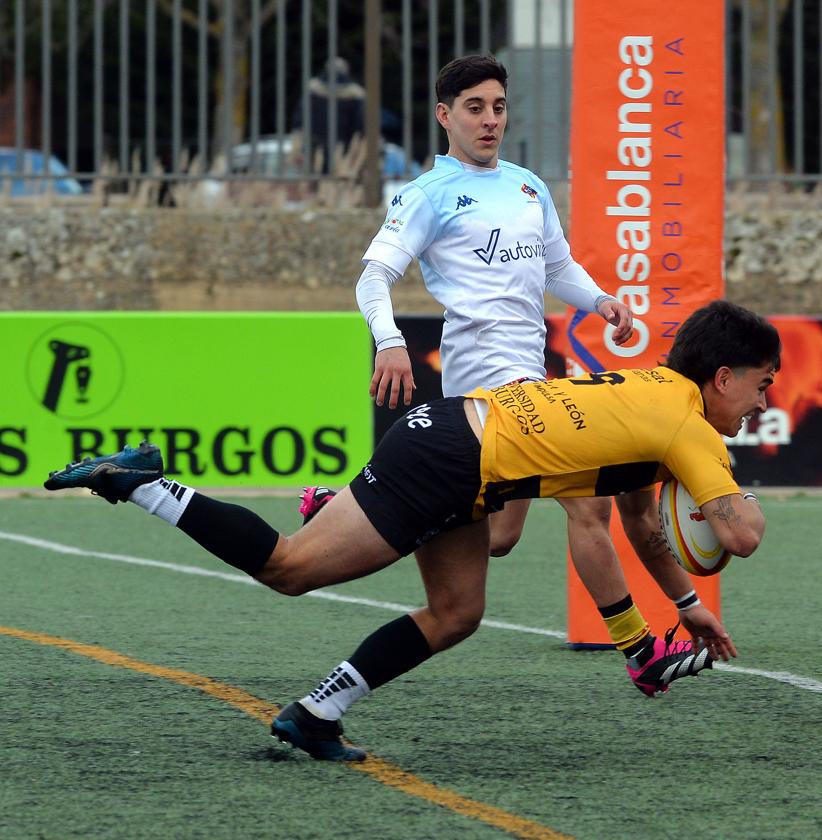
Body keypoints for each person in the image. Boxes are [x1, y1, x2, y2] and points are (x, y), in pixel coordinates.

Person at [44, 301, 781, 761]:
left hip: (462, 451)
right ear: (722, 376)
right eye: (761, 384)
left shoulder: (653, 391)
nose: (761, 401)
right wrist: (727, 496)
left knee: (458, 613)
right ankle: (143, 483)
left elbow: (643, 529)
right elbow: (742, 538)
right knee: (290, 569)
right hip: (449, 461)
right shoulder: (690, 430)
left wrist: (683, 612)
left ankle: (315, 714)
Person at [324, 53, 732, 696]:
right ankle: (640, 652)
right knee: (589, 503)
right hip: (488, 371)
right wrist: (389, 341)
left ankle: (367, 508)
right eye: (474, 108)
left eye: (499, 106)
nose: (490, 120)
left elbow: (556, 267)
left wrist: (600, 301)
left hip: (530, 365)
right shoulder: (427, 195)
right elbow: (373, 275)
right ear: (444, 116)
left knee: (502, 536)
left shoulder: (526, 185)